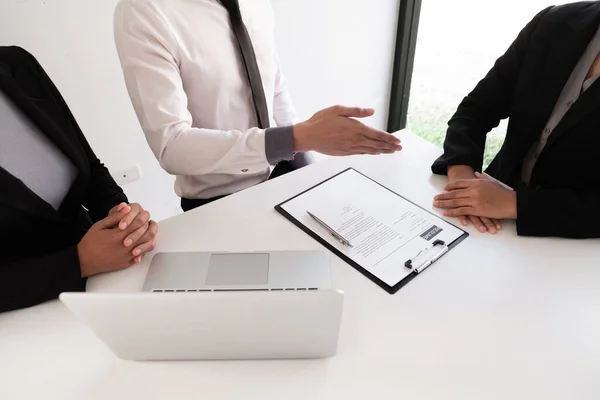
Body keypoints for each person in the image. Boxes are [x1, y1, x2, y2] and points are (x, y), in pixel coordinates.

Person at [114, 0, 402, 212]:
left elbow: (274, 88)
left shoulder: (258, 5)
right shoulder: (144, 11)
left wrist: (308, 165)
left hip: (289, 173)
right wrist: (299, 137)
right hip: (219, 203)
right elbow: (172, 147)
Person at [0, 46, 158, 313]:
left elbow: (90, 167)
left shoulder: (17, 63)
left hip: (108, 282)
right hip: (29, 319)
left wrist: (122, 217)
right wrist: (80, 262)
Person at [431, 1, 600, 239]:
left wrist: (514, 204)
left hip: (571, 241)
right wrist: (461, 175)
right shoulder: (554, 21)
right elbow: (478, 107)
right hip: (492, 210)